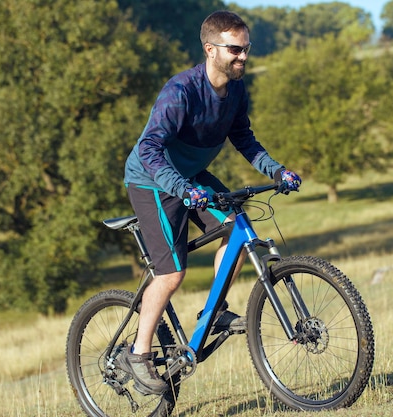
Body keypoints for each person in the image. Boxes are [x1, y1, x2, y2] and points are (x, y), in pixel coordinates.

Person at [117, 10, 301, 396]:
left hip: (191, 176)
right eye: (235, 49)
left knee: (237, 227)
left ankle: (212, 315)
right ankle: (138, 352)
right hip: (152, 179)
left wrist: (276, 171)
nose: (243, 57)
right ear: (210, 49)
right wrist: (181, 188)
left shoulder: (235, 91)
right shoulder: (180, 91)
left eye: (246, 49)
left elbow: (244, 139)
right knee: (171, 274)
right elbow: (149, 148)